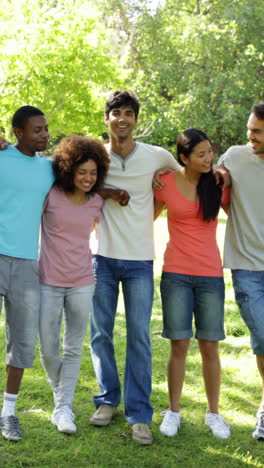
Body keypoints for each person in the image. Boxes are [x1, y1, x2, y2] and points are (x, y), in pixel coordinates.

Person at [89, 90, 179, 445]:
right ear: (106, 119)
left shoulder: (156, 156)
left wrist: (163, 183)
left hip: (141, 259)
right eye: (116, 113)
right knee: (101, 334)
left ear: (136, 120)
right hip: (102, 258)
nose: (122, 118)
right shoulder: (95, 155)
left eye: (129, 113)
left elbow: (188, 169)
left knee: (139, 336)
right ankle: (107, 400)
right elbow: (64, 171)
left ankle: (139, 414)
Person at [154, 128, 231, 439]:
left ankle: (214, 413)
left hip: (211, 275)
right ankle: (173, 410)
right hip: (176, 274)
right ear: (183, 158)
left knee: (210, 346)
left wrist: (222, 170)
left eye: (210, 152)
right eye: (200, 154)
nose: (208, 158)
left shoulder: (218, 182)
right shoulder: (166, 184)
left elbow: (244, 214)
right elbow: (144, 218)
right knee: (179, 345)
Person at [38, 135, 109, 434]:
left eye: (93, 173)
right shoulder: (50, 194)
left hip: (82, 281)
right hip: (47, 281)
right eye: (82, 172)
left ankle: (63, 408)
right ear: (68, 169)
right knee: (48, 347)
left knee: (73, 348)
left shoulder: (97, 200)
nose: (88, 178)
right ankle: (60, 391)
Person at [0, 106, 54, 441]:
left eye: (46, 129)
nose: (45, 134)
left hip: (26, 265)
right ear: (19, 132)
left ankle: (8, 412)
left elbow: (86, 179)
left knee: (21, 343)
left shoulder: (49, 168)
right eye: (37, 130)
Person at [218, 102, 264, 441]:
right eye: (250, 129)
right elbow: (208, 176)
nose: (250, 136)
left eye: (258, 132)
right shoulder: (234, 156)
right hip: (247, 266)